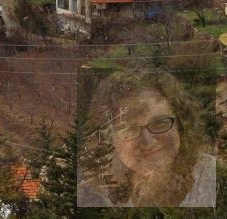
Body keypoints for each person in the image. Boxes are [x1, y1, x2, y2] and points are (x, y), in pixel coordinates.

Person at [78, 67, 217, 208]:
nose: (148, 141)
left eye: (160, 123)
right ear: (109, 139)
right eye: (129, 129)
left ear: (181, 125)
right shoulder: (97, 193)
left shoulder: (215, 176)